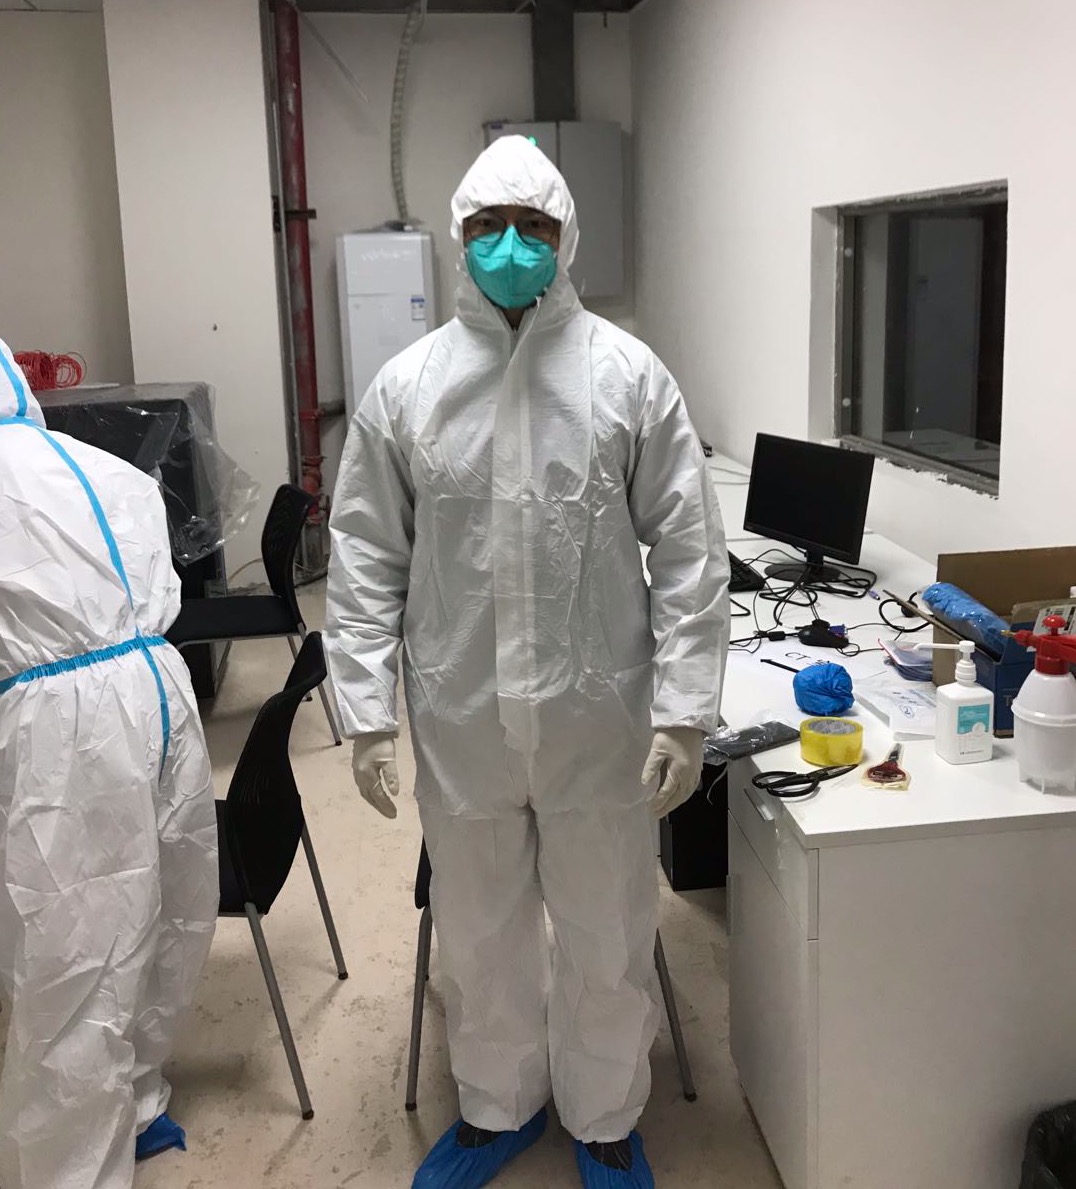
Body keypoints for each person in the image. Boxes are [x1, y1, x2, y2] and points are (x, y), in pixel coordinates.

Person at [327, 136, 729, 1189]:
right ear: (459, 236)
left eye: (534, 227)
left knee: (607, 927)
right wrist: (365, 715)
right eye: (488, 228)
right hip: (462, 720)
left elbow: (689, 550)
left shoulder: (626, 377)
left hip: (598, 722)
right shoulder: (408, 387)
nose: (511, 247)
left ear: (567, 235)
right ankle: (498, 1105)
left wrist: (684, 711)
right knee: (479, 929)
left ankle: (605, 1114)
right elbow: (364, 555)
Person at [0, 341, 218, 1189]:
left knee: (73, 958)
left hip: (64, 733)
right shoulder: (108, 471)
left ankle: (73, 1170)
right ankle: (138, 1095)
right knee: (165, 911)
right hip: (159, 694)